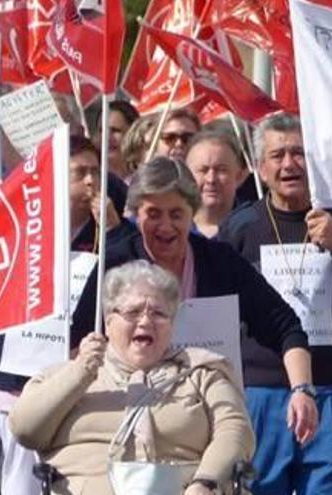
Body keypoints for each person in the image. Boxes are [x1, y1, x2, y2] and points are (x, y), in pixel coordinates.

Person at [72, 158, 319, 451]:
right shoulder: (115, 262)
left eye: (176, 214)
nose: (165, 225)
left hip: (208, 420)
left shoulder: (220, 261)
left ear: (192, 214)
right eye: (153, 213)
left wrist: (302, 390)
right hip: (129, 421)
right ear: (136, 215)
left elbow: (285, 326)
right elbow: (76, 343)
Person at [218, 113, 332, 495]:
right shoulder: (240, 227)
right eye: (277, 155)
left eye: (298, 153)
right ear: (260, 167)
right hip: (263, 392)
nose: (289, 164)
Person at [10, 260, 254, 494]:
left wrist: (206, 482)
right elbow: (26, 430)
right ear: (108, 321)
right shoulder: (64, 374)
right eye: (133, 312)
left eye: (159, 313)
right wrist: (82, 371)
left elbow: (235, 431)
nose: (146, 321)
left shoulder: (202, 372)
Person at [0, 135, 133, 495]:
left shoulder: (110, 232)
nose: (89, 182)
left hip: (79, 377)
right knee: (21, 481)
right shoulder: (23, 226)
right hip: (18, 378)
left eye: (95, 172)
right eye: (79, 172)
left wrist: (114, 232)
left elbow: (129, 282)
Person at [185, 130, 249, 238]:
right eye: (203, 170)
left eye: (221, 170)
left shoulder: (255, 226)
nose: (211, 179)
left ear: (239, 176)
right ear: (186, 175)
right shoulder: (173, 228)